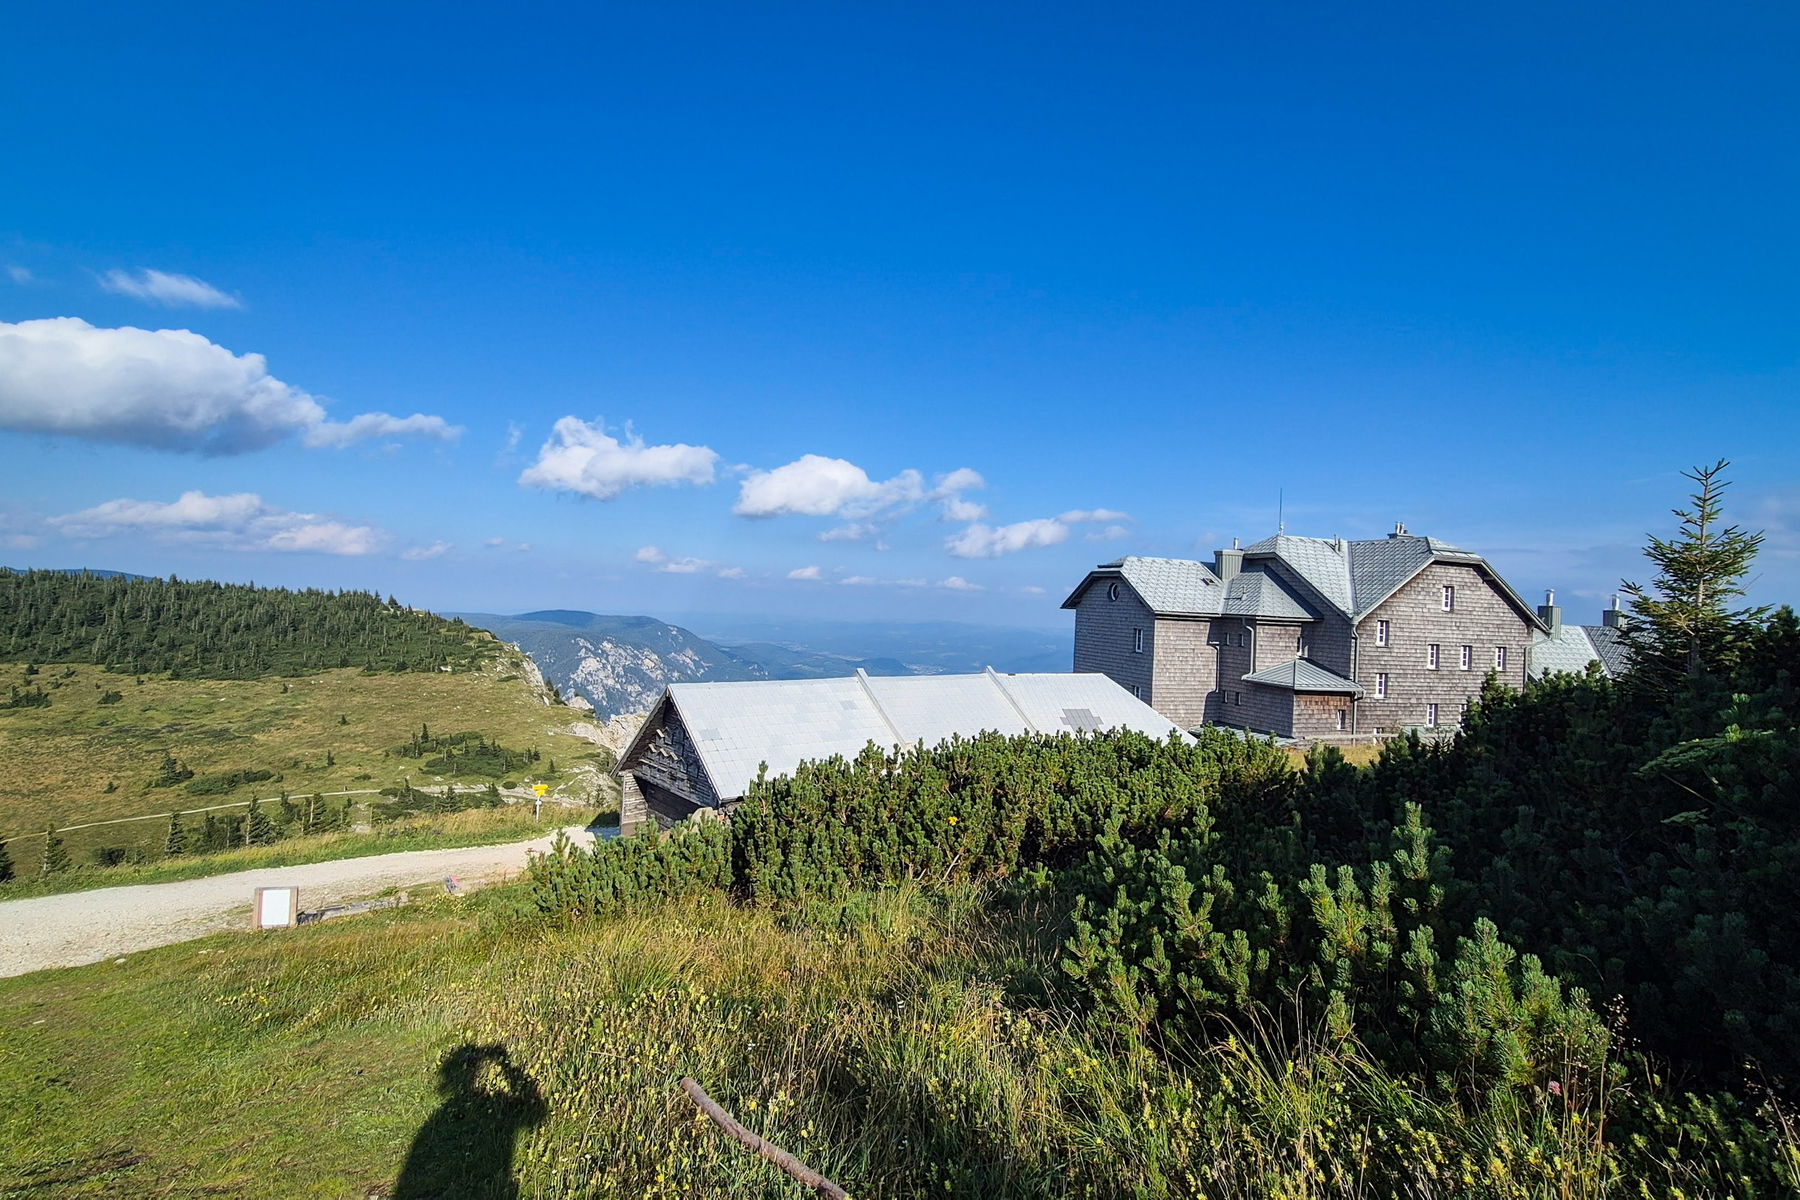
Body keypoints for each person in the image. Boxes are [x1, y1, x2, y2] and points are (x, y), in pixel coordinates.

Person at [392, 1044, 545, 1199]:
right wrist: (507, 1067)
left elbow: (536, 1115)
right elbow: (537, 1115)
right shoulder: (447, 1111)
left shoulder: (442, 1113)